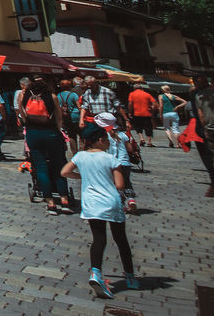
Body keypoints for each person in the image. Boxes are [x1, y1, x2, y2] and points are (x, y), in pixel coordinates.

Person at [62, 124, 138, 299]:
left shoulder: (80, 156)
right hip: (111, 201)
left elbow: (64, 172)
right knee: (121, 239)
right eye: (107, 140)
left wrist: (81, 176)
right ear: (101, 140)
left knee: (98, 239)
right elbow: (120, 185)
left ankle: (96, 273)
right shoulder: (110, 159)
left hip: (91, 203)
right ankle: (130, 277)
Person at [21, 76, 71, 214]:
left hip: (33, 133)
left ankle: (50, 203)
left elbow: (22, 114)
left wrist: (29, 125)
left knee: (41, 167)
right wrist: (58, 130)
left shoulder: (24, 96)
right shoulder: (52, 96)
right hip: (51, 133)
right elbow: (59, 118)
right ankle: (64, 200)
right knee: (58, 166)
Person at [94, 113, 137, 214]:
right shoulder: (122, 135)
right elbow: (130, 149)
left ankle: (119, 205)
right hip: (125, 163)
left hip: (113, 164)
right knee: (127, 182)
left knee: (116, 185)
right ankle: (131, 200)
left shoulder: (104, 137)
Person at [189, 76, 214, 195]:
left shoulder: (198, 95)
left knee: (208, 156)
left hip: (206, 129)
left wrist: (203, 128)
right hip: (205, 128)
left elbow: (200, 115)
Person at [126, 83, 158, 147]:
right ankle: (149, 142)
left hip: (136, 113)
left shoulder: (132, 94)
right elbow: (155, 104)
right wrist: (152, 110)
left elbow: (130, 104)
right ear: (141, 88)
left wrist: (129, 112)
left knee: (138, 126)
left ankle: (141, 138)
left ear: (134, 88)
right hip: (147, 113)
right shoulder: (147, 94)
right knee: (148, 127)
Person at [58, 78, 83, 153]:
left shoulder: (59, 95)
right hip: (76, 117)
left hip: (66, 118)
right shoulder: (73, 95)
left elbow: (58, 108)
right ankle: (81, 152)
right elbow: (79, 107)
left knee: (72, 136)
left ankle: (74, 153)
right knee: (81, 135)